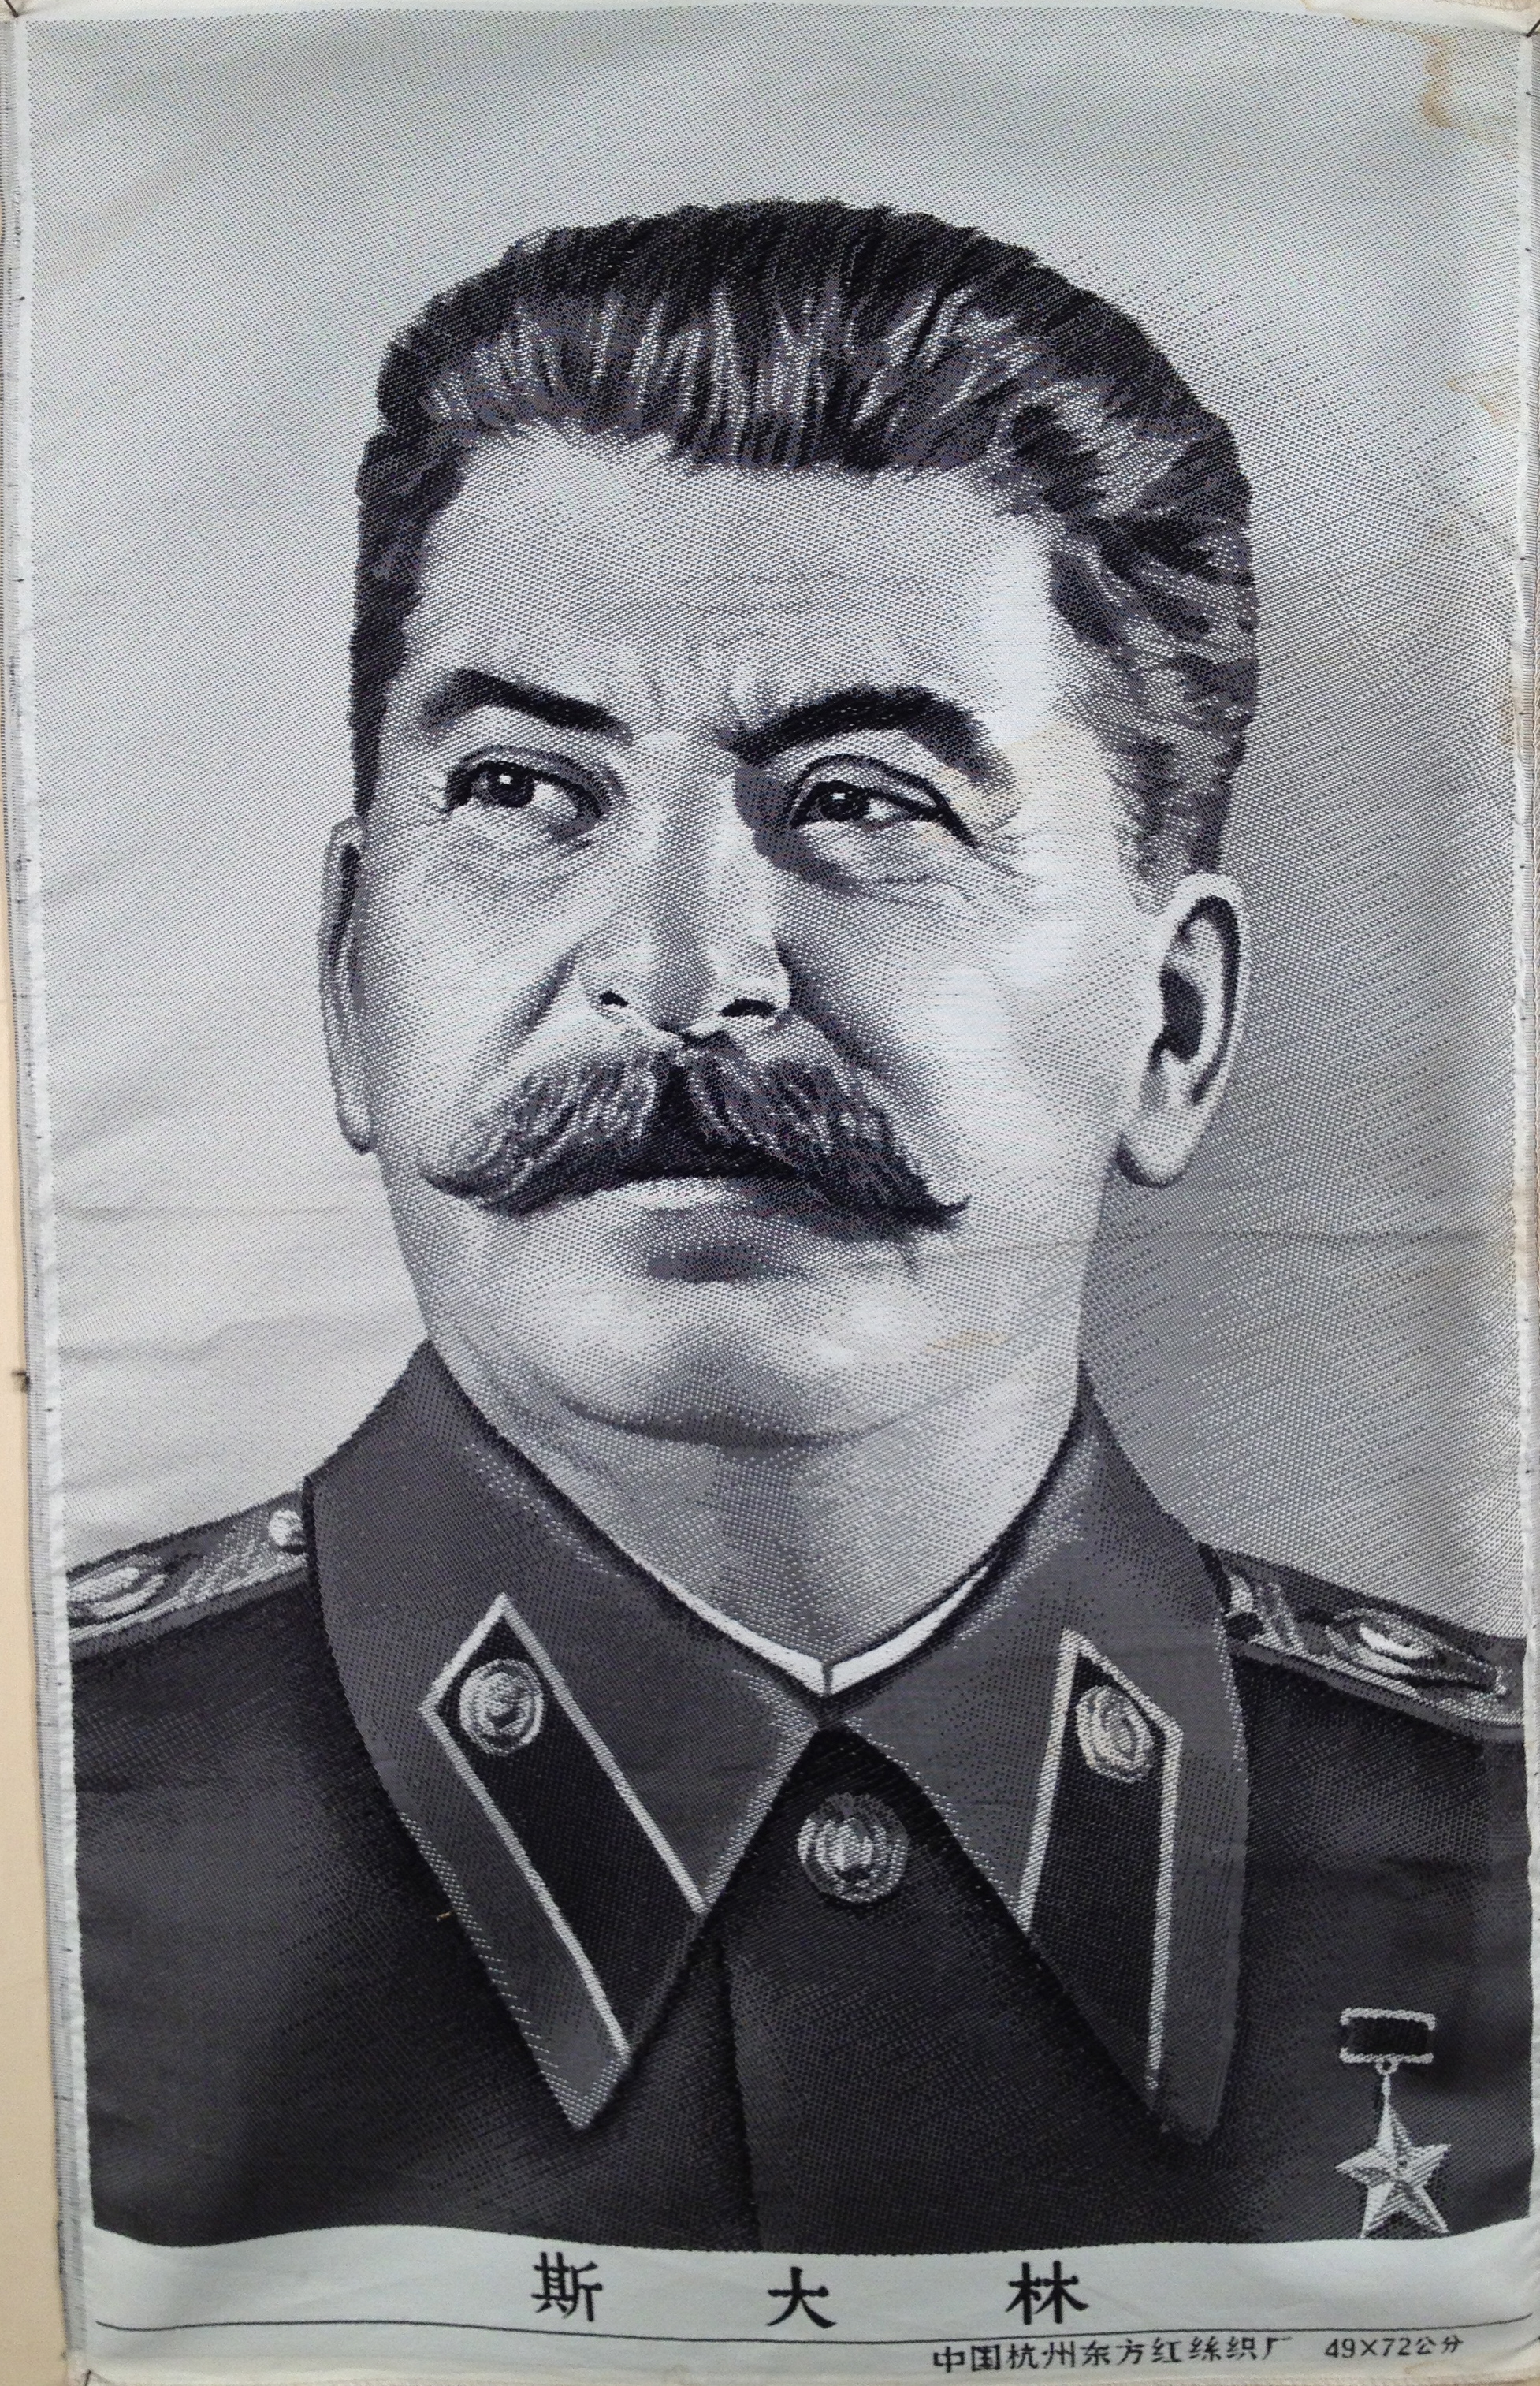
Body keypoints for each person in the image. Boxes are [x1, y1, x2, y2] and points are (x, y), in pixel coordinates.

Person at [69, 200, 1529, 2256]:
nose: (679, 975)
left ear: (1172, 1023)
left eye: (865, 799)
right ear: (348, 982)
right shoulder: (51, 1800)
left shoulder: (1488, 1838)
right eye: (520, 790)